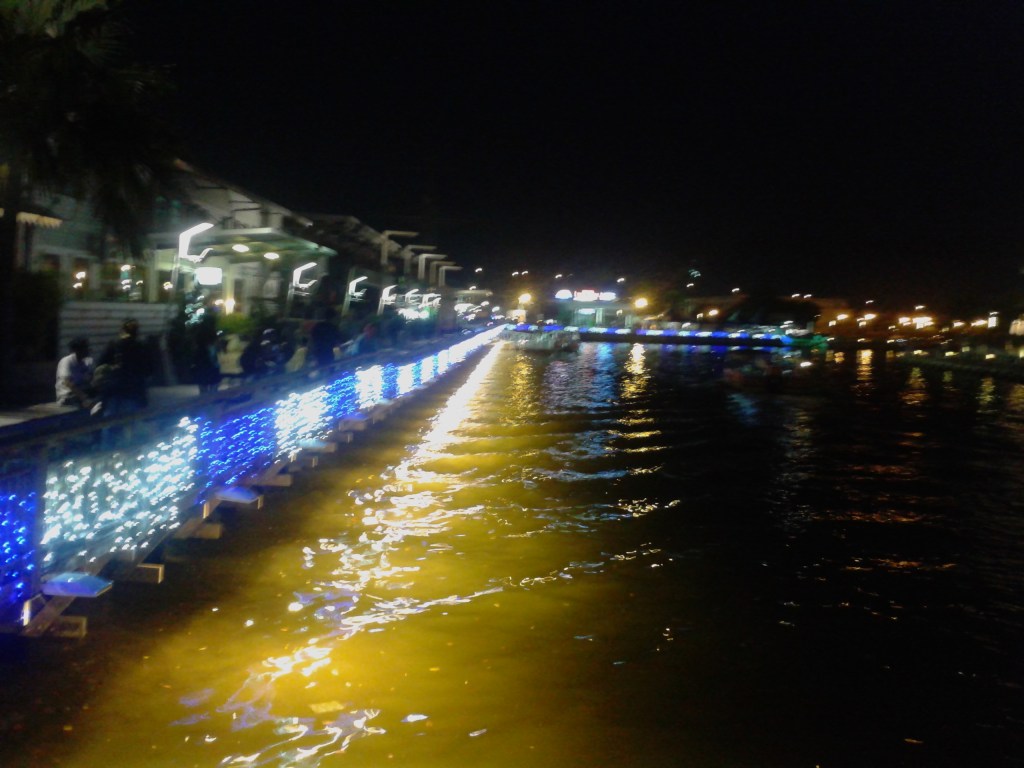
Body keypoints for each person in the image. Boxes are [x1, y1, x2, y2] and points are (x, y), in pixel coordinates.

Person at [96, 318, 154, 415]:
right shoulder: (142, 347)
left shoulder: (114, 345)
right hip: (135, 390)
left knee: (111, 419)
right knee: (133, 420)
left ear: (122, 330)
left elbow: (100, 365)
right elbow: (150, 369)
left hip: (115, 390)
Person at [55, 337, 96, 408]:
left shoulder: (85, 362)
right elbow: (67, 383)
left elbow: (89, 379)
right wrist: (84, 397)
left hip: (81, 392)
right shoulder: (67, 361)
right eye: (85, 348)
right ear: (78, 350)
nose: (88, 350)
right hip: (67, 395)